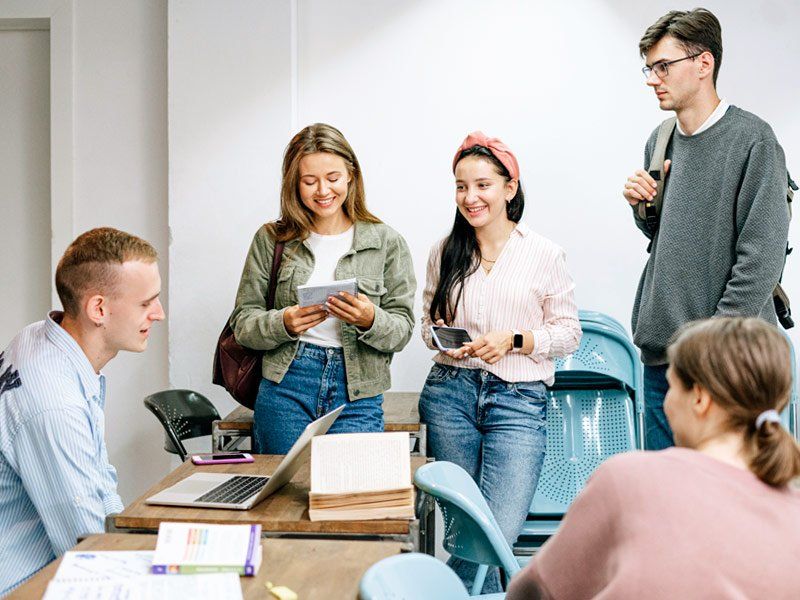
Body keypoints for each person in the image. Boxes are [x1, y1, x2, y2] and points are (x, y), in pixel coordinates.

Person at [507, 317, 800, 599]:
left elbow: (536, 591)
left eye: (671, 387)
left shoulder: (629, 479)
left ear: (699, 399)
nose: (666, 403)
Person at [419, 131, 581, 593]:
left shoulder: (545, 254)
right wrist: (444, 339)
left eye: (483, 185)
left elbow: (568, 334)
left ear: (510, 187)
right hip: (450, 394)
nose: (470, 197)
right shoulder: (444, 251)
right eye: (461, 186)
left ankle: (440, 591)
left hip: (519, 401)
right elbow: (425, 326)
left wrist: (514, 339)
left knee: (495, 532)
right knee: (464, 528)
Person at [622, 8, 790, 450]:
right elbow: (668, 238)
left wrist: (710, 349)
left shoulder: (753, 140)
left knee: (733, 505)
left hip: (729, 364)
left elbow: (761, 260)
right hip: (663, 360)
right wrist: (645, 210)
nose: (652, 78)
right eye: (649, 67)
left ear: (703, 63)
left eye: (663, 66)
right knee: (669, 505)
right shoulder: (659, 140)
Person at [231, 123, 416, 454]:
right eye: (309, 181)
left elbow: (402, 330)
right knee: (282, 498)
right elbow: (243, 324)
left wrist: (370, 318)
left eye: (332, 178)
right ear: (294, 184)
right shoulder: (271, 240)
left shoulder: (386, 242)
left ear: (350, 176)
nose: (323, 190)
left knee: (347, 497)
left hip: (358, 391)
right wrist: (284, 322)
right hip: (286, 384)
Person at [0, 228, 165, 594]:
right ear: (99, 309)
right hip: (26, 583)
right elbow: (87, 550)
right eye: (146, 303)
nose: (159, 314)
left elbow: (97, 480)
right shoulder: (54, 405)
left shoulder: (42, 337)